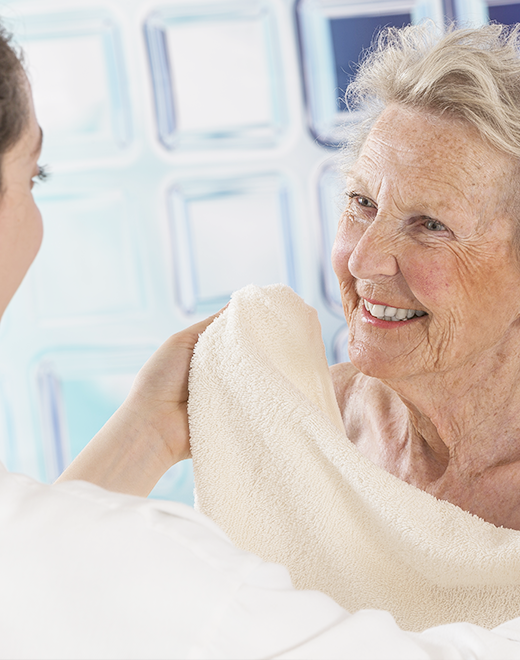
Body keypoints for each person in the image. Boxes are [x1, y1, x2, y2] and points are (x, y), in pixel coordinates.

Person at [0, 19, 520, 659]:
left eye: (431, 225)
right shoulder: (283, 424)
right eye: (360, 203)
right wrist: (149, 427)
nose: (362, 260)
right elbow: (40, 594)